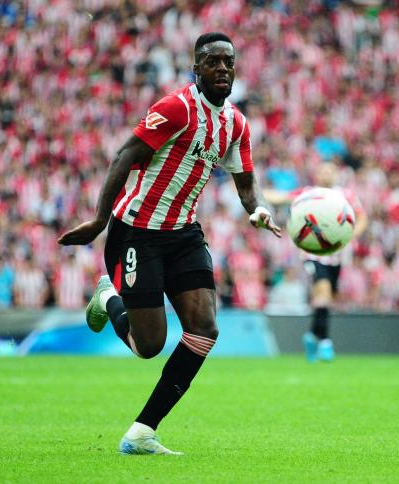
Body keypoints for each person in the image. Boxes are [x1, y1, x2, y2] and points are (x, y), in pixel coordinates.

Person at [58, 32, 281, 455]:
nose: (222, 69)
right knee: (149, 346)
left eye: (228, 63)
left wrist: (259, 210)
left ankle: (142, 431)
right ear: (196, 68)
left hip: (183, 233)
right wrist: (99, 220)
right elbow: (125, 155)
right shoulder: (176, 108)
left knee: (204, 328)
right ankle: (108, 296)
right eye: (212, 62)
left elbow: (247, 186)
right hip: (137, 230)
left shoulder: (236, 123)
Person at [264, 163, 367, 361]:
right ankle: (326, 342)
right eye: (322, 170)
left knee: (326, 299)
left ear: (336, 174)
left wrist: (351, 235)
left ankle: (312, 336)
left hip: (337, 254)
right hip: (313, 253)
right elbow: (282, 197)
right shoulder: (308, 193)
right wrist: (252, 189)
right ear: (316, 174)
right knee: (324, 290)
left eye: (329, 170)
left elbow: (362, 218)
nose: (325, 174)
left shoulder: (345, 195)